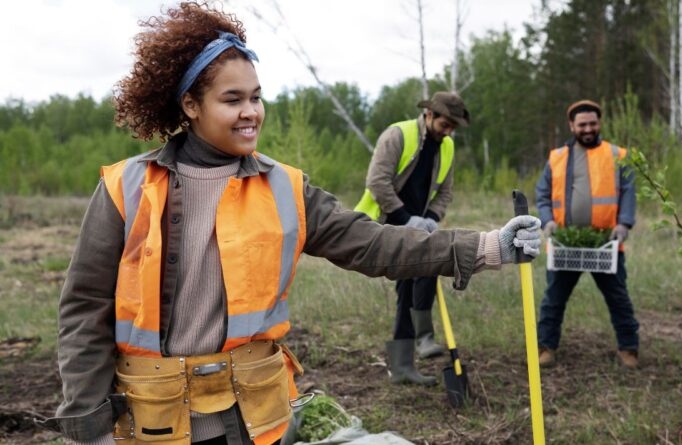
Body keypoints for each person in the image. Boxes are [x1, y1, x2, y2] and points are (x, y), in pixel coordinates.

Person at [38, 3, 542, 445]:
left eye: (256, 97)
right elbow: (84, 310)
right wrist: (90, 426)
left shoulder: (286, 188)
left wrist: (488, 246)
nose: (251, 112)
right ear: (190, 106)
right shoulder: (125, 187)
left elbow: (373, 244)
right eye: (232, 99)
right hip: (151, 422)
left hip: (254, 421)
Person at [354, 91, 468, 386]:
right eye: (445, 124)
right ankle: (421, 340)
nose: (449, 132)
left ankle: (405, 361)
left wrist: (431, 217)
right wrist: (407, 218)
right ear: (429, 115)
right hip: (387, 224)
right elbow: (376, 181)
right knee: (418, 276)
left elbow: (446, 191)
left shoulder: (447, 146)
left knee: (419, 278)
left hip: (420, 225)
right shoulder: (398, 135)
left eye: (454, 127)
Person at [534, 100, 639, 369]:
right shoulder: (557, 157)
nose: (588, 129)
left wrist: (624, 224)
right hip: (565, 244)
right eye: (582, 124)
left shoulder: (618, 155)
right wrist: (547, 222)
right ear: (572, 126)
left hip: (606, 244)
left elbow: (628, 191)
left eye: (593, 123)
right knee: (553, 299)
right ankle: (546, 347)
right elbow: (542, 195)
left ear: (599, 123)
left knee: (618, 298)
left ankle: (628, 348)